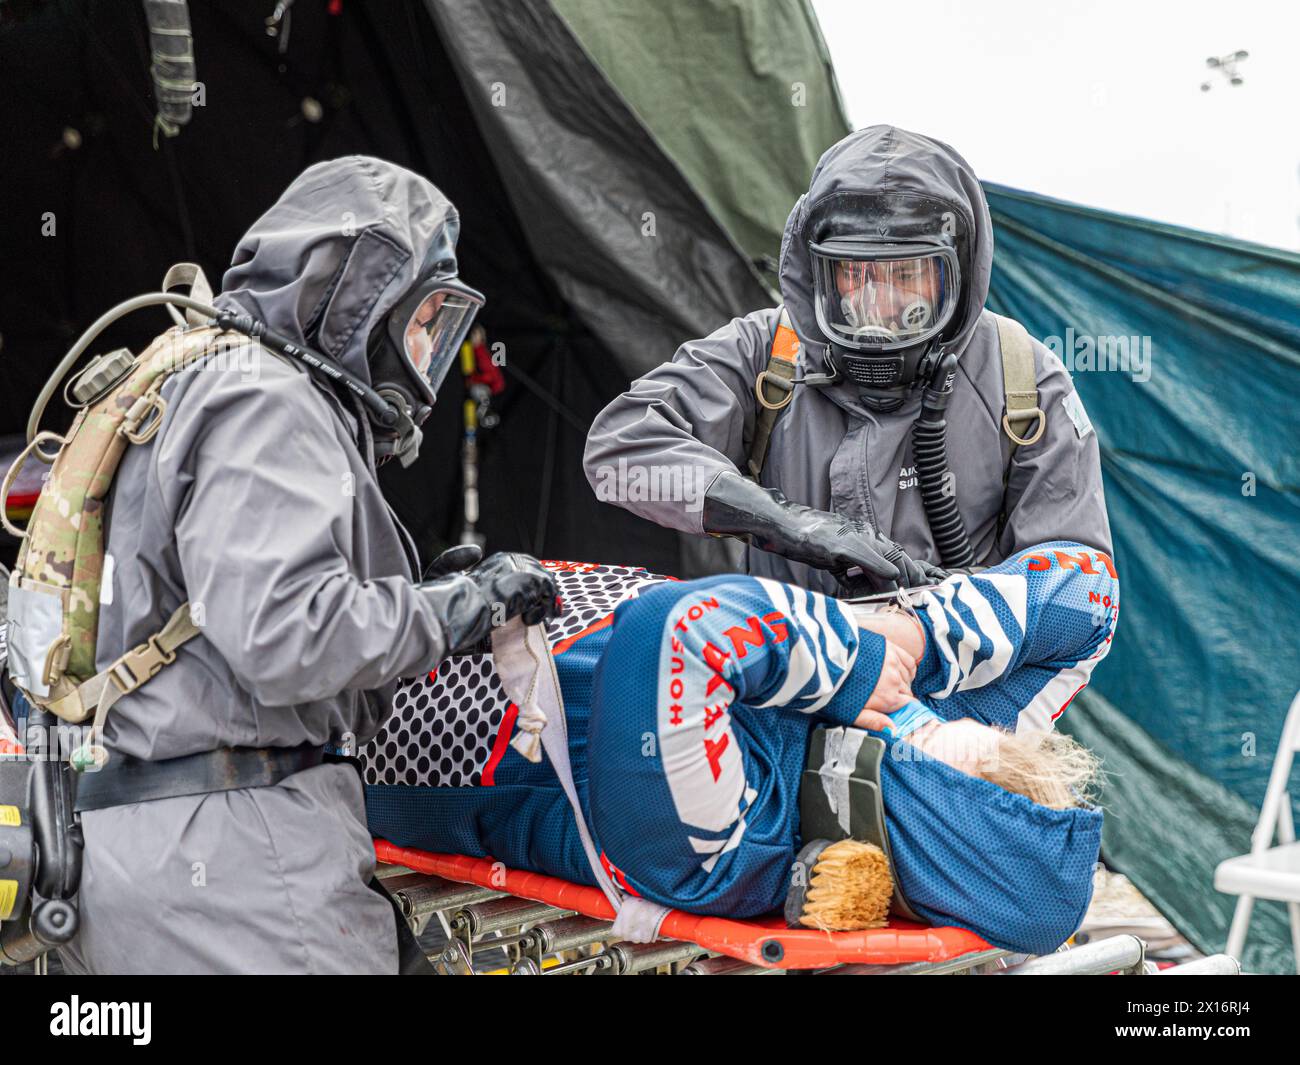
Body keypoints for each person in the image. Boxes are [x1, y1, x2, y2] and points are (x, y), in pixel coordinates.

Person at [55, 157, 558, 974]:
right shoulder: (268, 397)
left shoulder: (191, 375)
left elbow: (215, 620)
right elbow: (284, 634)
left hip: (141, 847)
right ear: (359, 298)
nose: (429, 349)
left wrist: (420, 599)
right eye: (424, 317)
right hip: (239, 868)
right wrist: (453, 611)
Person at [364, 540, 1118, 955]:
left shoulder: (731, 844)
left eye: (966, 740)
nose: (934, 708)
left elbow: (683, 628)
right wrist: (921, 638)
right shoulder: (902, 733)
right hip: (443, 610)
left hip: (372, 717)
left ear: (928, 797)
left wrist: (852, 654)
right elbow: (1090, 595)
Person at [583, 125, 1111, 595]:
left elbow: (1073, 588)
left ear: (958, 275)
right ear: (819, 275)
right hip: (789, 685)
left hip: (961, 694)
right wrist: (786, 524)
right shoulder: (768, 351)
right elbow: (620, 451)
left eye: (906, 277)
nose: (877, 310)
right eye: (854, 276)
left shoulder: (1025, 381)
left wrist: (939, 637)